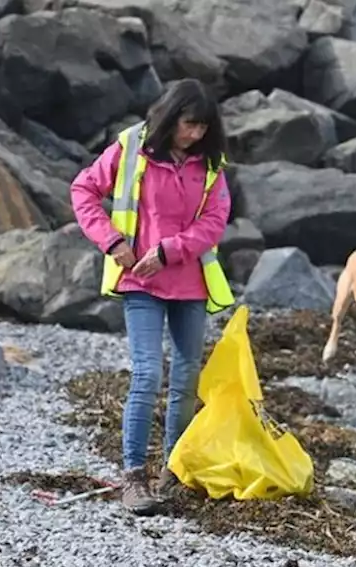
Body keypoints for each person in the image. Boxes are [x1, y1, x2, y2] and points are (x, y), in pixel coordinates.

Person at [70, 78, 234, 515]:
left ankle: (173, 473)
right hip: (139, 283)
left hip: (190, 285)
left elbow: (215, 221)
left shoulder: (211, 164)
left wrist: (169, 251)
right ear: (169, 116)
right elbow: (83, 191)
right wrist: (112, 242)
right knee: (147, 376)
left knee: (186, 380)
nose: (195, 134)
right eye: (188, 125)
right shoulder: (129, 149)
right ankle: (133, 477)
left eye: (202, 127)